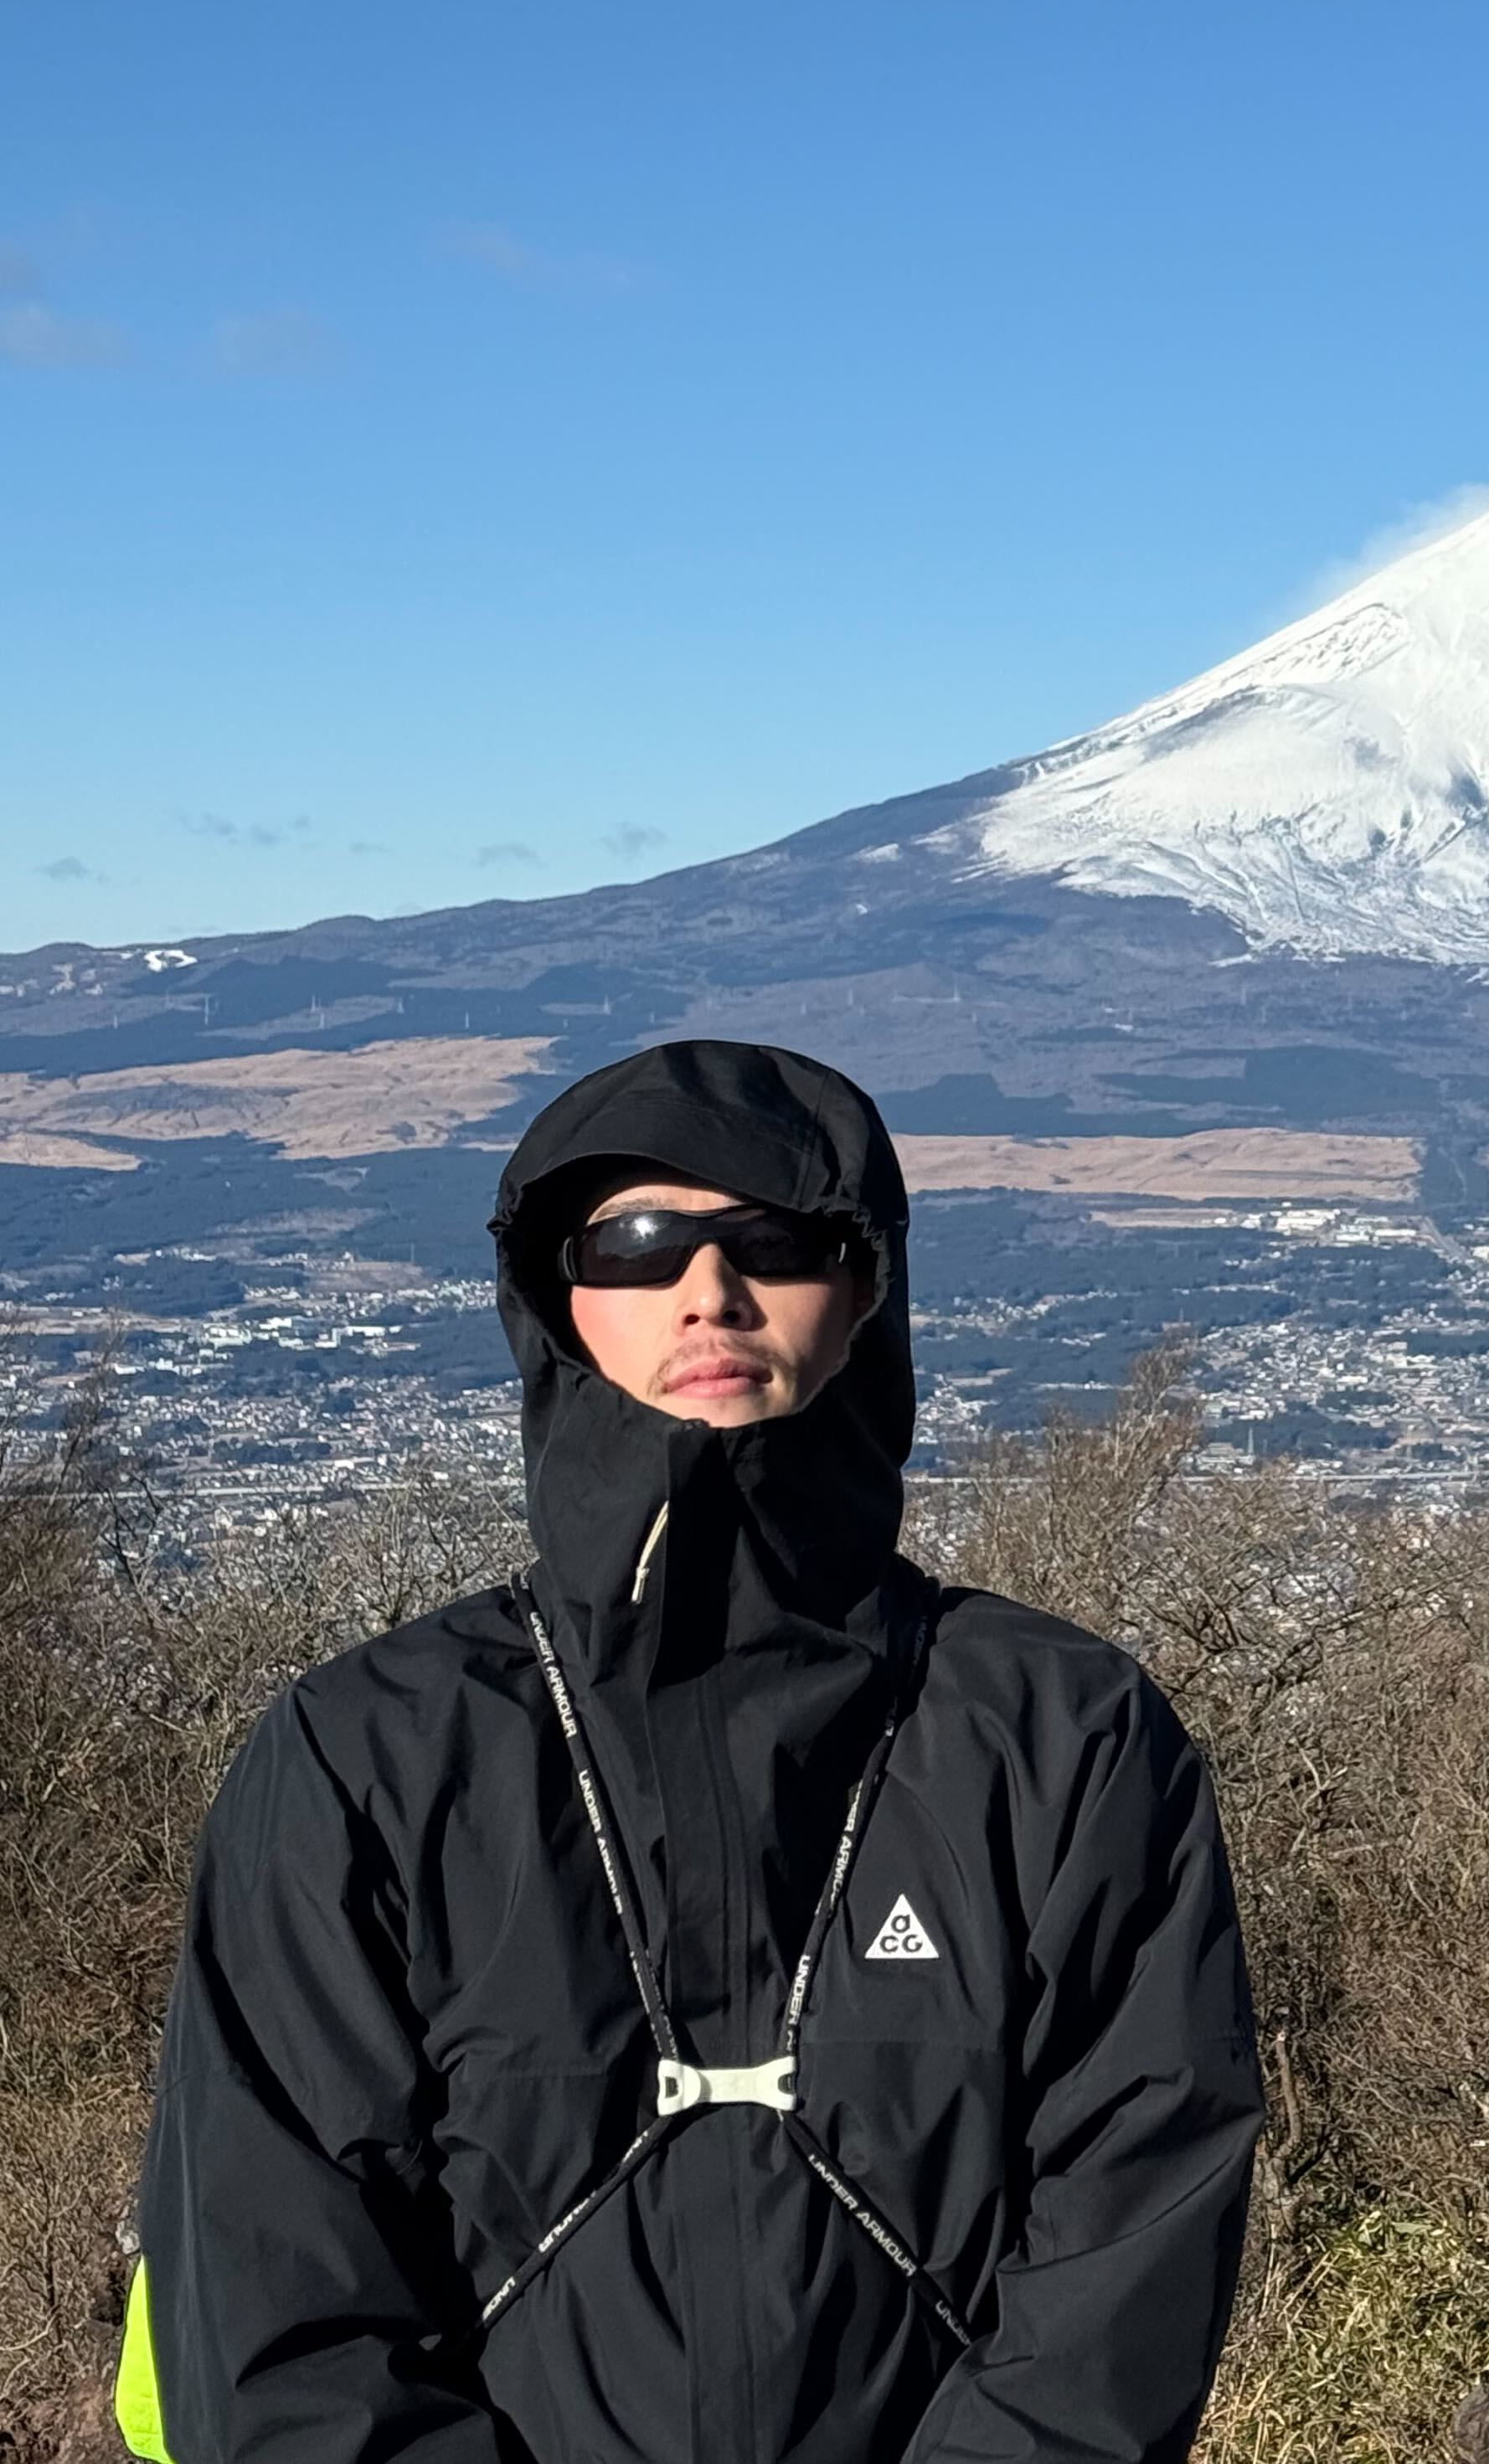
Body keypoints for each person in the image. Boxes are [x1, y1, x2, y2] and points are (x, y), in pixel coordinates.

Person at [121, 1039, 1262, 2464]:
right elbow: (278, 2302)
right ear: (559, 1302)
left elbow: (1128, 2244)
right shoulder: (369, 1760)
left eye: (776, 1240)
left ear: (866, 1290)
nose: (708, 1291)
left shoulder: (1062, 1740)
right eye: (639, 1245)